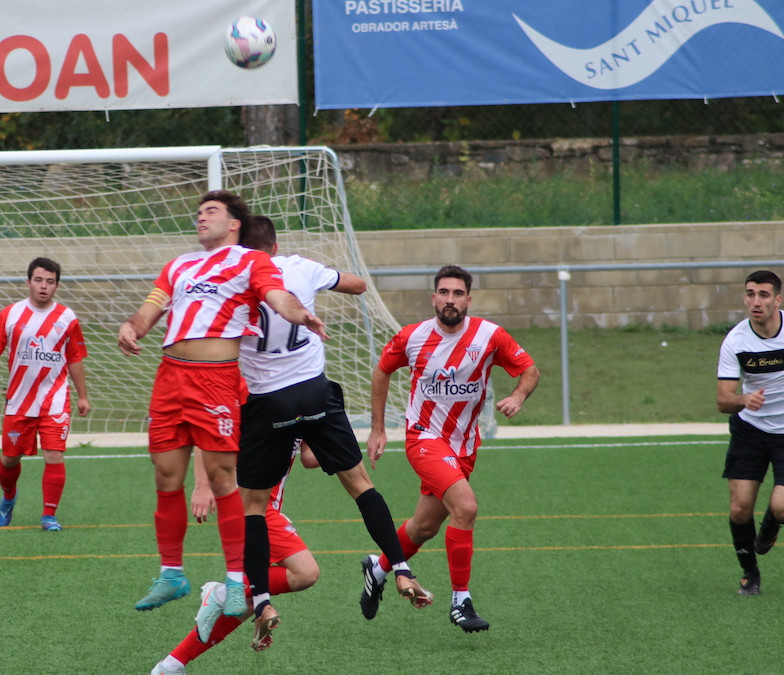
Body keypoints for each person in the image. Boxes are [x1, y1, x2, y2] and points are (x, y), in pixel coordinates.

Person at [117, 190, 326, 615]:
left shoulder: (251, 261)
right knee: (166, 475)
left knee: (222, 478)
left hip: (215, 381)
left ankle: (233, 581)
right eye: (198, 212)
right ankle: (171, 574)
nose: (200, 217)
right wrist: (131, 327)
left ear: (234, 223)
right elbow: (150, 308)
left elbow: (277, 296)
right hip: (170, 377)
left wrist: (299, 313)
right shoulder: (178, 265)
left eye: (210, 211)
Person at [232, 215, 432, 650]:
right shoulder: (300, 267)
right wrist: (325, 281)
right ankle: (400, 569)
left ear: (239, 247)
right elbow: (357, 285)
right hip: (314, 393)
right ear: (275, 245)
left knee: (253, 506)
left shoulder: (232, 277)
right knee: (360, 484)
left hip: (268, 402)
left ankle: (262, 601)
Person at [366, 265, 539, 634]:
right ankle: (461, 601)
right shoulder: (412, 337)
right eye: (443, 292)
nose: (450, 300)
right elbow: (382, 371)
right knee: (466, 507)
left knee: (424, 527)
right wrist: (378, 429)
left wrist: (518, 396)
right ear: (433, 298)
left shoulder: (490, 336)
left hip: (464, 446)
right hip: (424, 438)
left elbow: (530, 370)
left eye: (457, 294)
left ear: (468, 300)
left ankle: (377, 568)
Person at [150, 443, 320, 674]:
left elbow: (309, 457)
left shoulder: (304, 419)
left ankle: (171, 666)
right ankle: (223, 593)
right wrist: (203, 486)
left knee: (247, 601)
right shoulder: (259, 416)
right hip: (248, 503)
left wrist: (336, 446)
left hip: (265, 505)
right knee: (306, 572)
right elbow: (206, 435)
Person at [0, 257, 90, 532]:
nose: (44, 286)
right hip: (19, 400)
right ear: (28, 282)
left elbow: (75, 358)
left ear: (56, 285)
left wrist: (83, 395)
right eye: (38, 280)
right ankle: (8, 497)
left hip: (55, 399)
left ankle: (49, 515)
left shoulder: (67, 318)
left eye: (50, 281)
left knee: (54, 455)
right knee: (10, 459)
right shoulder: (11, 314)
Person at [716, 269, 784, 596]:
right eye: (750, 294)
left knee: (781, 507)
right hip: (751, 430)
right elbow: (722, 401)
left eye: (763, 295)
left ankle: (772, 522)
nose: (756, 301)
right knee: (740, 508)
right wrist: (744, 399)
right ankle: (750, 573)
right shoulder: (736, 340)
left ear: (777, 300)